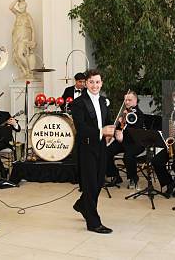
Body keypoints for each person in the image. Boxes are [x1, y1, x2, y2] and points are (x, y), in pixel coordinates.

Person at [70, 69, 114, 234]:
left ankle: (82, 205)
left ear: (101, 83)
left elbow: (108, 121)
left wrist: (113, 131)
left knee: (99, 182)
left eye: (97, 82)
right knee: (90, 184)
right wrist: (102, 131)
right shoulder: (78, 103)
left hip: (101, 146)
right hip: (87, 147)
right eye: (91, 82)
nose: (95, 85)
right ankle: (93, 222)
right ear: (86, 83)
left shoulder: (104, 101)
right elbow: (81, 129)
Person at [105, 91, 145, 189]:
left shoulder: (139, 114)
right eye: (125, 100)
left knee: (128, 156)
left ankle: (133, 179)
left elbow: (136, 130)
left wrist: (123, 132)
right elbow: (119, 129)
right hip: (123, 142)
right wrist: (116, 133)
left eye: (129, 100)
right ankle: (115, 175)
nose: (127, 102)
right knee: (105, 151)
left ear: (135, 101)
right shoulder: (124, 113)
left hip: (136, 143)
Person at [10, 0, 37, 79]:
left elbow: (33, 29)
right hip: (17, 39)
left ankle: (28, 70)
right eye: (20, 7)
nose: (21, 9)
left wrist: (33, 40)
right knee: (17, 56)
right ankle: (25, 71)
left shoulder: (28, 16)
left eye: (23, 7)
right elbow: (11, 7)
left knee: (20, 55)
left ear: (25, 7)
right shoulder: (18, 14)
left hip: (25, 40)